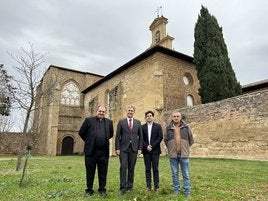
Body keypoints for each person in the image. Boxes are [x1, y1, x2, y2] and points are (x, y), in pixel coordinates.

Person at [79, 105, 114, 197]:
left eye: (103, 111)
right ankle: (89, 190)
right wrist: (89, 141)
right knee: (90, 171)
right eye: (100, 111)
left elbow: (111, 134)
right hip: (91, 152)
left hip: (103, 152)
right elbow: (81, 132)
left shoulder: (109, 122)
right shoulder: (88, 120)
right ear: (96, 111)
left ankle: (102, 189)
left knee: (103, 172)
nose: (101, 113)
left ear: (105, 113)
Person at [164, 111, 194, 198]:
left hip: (184, 155)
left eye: (177, 116)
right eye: (174, 116)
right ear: (172, 118)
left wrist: (185, 147)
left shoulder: (186, 127)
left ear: (180, 117)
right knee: (174, 174)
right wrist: (171, 148)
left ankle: (187, 191)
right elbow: (165, 140)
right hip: (173, 155)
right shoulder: (168, 128)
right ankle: (176, 190)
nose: (176, 118)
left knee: (186, 174)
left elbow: (191, 139)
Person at [115, 106, 143, 195]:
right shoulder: (121, 122)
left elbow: (141, 137)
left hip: (134, 148)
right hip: (123, 149)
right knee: (123, 167)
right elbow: (117, 136)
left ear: (134, 112)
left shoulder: (138, 122)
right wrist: (117, 148)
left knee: (131, 168)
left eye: (132, 110)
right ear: (126, 111)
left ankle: (130, 186)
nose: (130, 112)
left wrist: (140, 149)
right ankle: (122, 187)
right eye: (129, 110)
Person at [142, 111, 163, 192]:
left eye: (150, 116)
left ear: (153, 117)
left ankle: (156, 186)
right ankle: (148, 186)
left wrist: (152, 146)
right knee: (147, 169)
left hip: (155, 151)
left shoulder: (158, 126)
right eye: (147, 116)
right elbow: (141, 138)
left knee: (155, 168)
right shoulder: (142, 127)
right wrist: (146, 146)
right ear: (145, 118)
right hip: (146, 151)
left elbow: (160, 137)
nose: (149, 117)